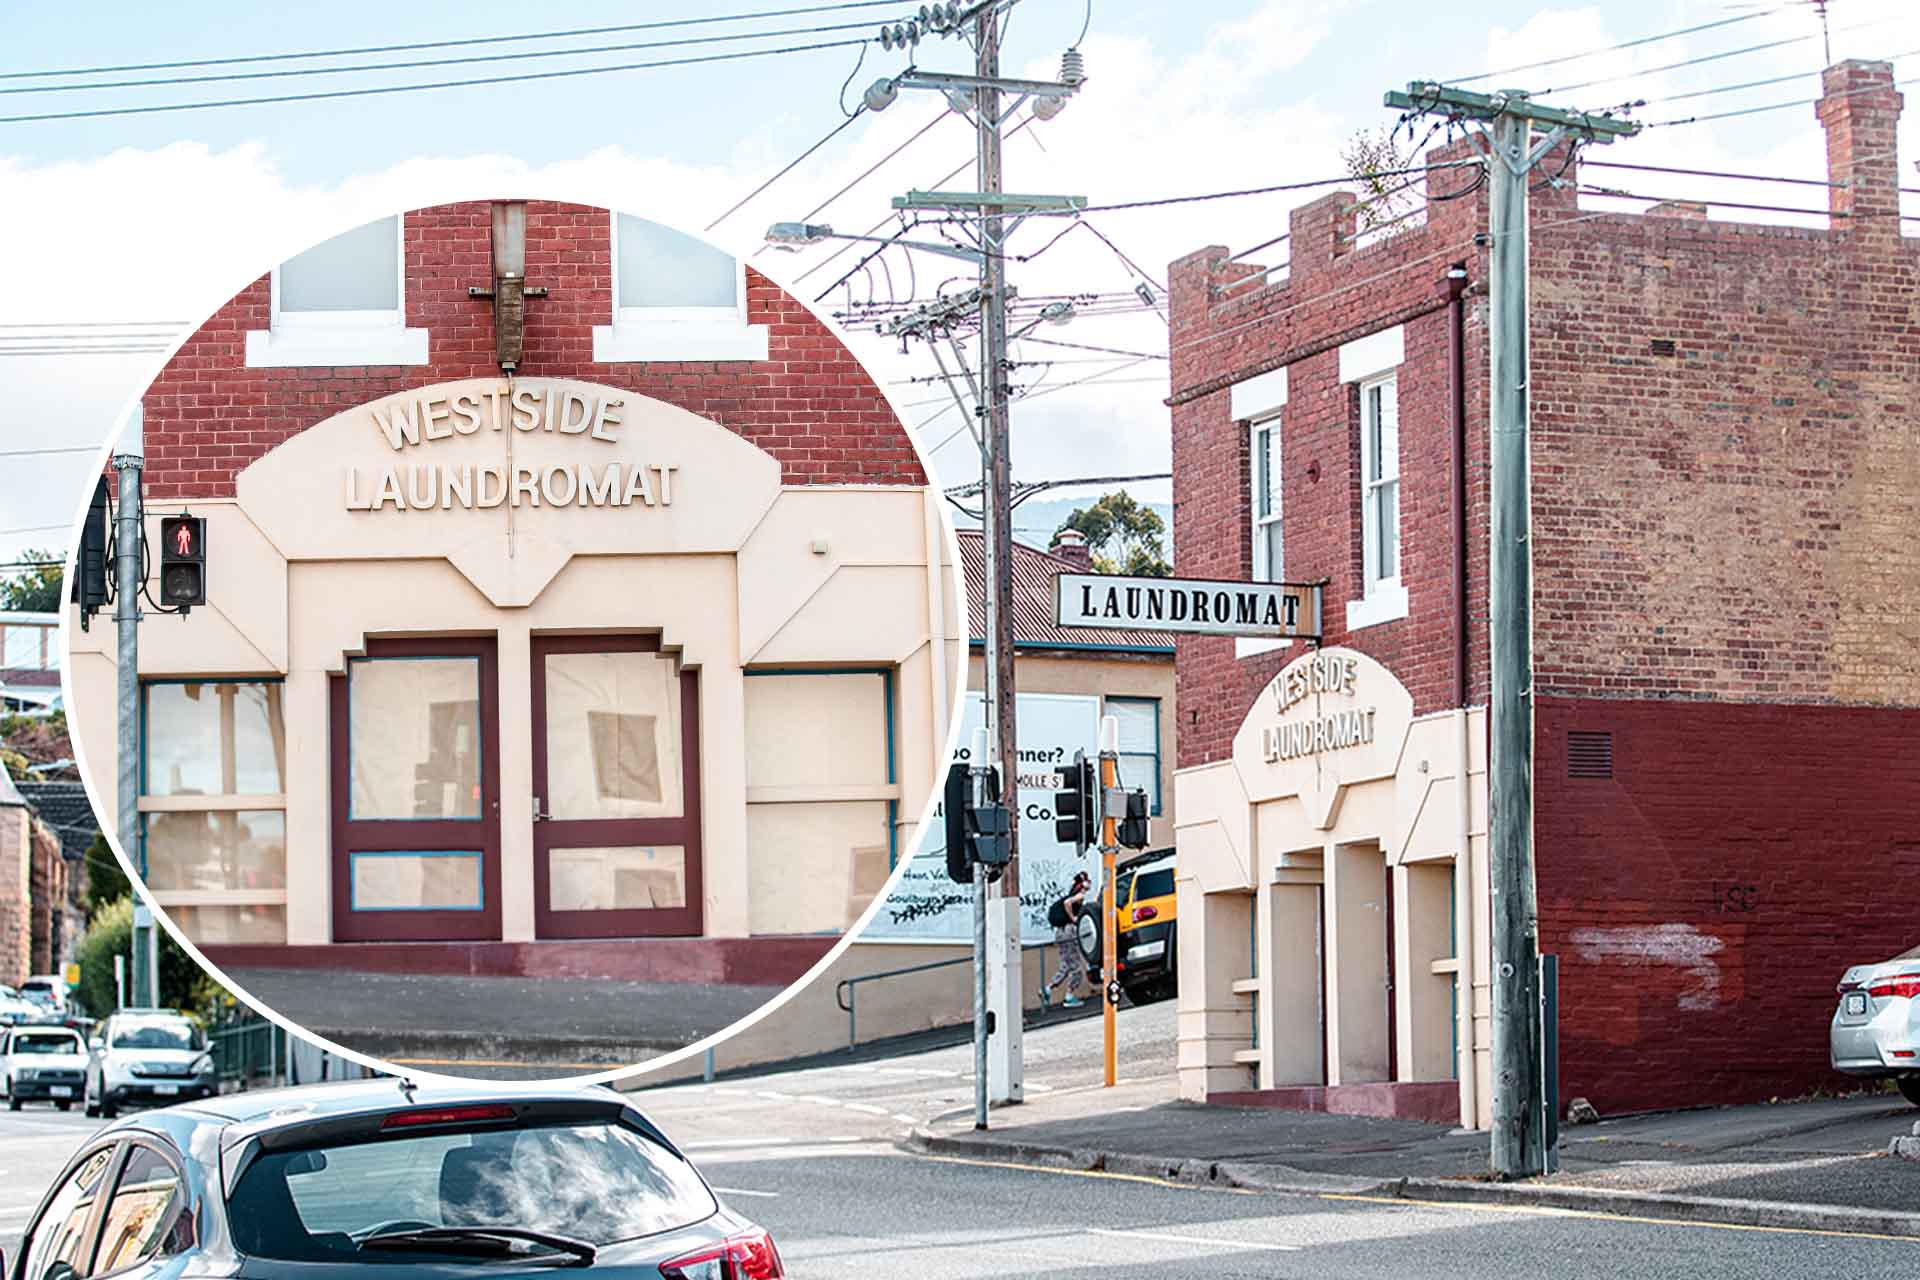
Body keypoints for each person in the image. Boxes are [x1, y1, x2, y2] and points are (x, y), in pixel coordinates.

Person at [1039, 871, 1093, 1008]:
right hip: (1069, 931)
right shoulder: (1079, 896)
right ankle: (1069, 995)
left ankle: (1048, 989)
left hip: (1060, 933)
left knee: (1066, 965)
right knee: (1076, 968)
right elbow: (1067, 903)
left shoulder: (1072, 894)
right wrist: (1073, 918)